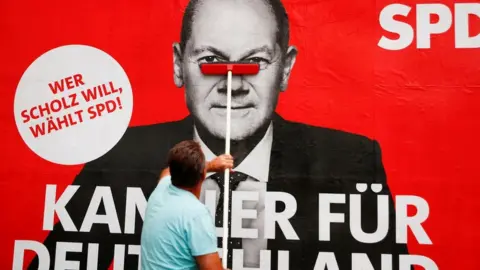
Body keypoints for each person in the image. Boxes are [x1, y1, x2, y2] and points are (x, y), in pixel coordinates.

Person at [30, 0, 410, 269]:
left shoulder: (352, 162)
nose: (233, 83)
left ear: (286, 69)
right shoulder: (119, 157)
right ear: (180, 66)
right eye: (211, 61)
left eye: (255, 62)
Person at [140, 140, 232, 270]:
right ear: (203, 174)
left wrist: (210, 165)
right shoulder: (196, 214)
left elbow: (166, 172)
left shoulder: (160, 190)